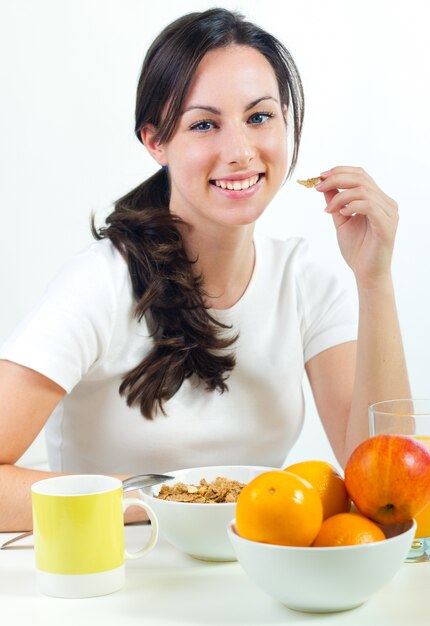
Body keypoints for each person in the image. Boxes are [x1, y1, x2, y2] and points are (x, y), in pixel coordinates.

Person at [0, 8, 409, 532]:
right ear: (156, 142)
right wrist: (166, 504)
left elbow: (385, 491)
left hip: (255, 592)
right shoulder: (100, 283)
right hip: (117, 588)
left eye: (259, 117)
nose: (239, 151)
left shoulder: (304, 282)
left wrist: (374, 279)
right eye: (204, 124)